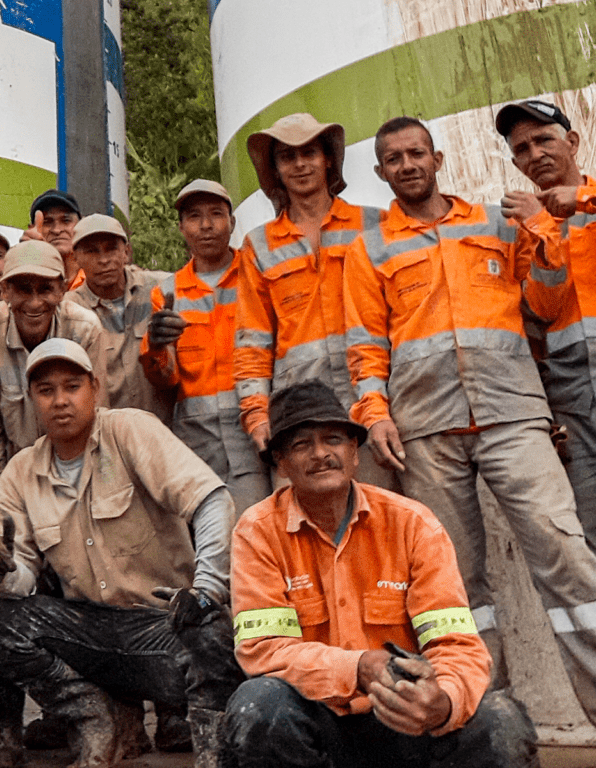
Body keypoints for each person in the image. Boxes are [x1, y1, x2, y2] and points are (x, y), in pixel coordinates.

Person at [344, 116, 596, 716]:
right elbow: (364, 344)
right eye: (393, 159)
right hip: (424, 429)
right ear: (381, 173)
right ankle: (488, 722)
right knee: (454, 587)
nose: (406, 166)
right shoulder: (369, 248)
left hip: (512, 415)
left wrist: (540, 227)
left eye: (416, 154)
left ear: (437, 158)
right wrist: (374, 413)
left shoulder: (495, 223)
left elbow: (546, 302)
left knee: (565, 555)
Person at [223, 381, 538, 768]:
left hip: (405, 725)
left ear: (355, 453)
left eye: (333, 439)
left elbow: (456, 644)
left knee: (498, 719)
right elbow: (264, 651)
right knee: (259, 706)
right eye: (301, 444)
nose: (320, 454)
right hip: (319, 728)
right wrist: (358, 667)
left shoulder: (414, 524)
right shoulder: (257, 532)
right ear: (281, 464)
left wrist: (441, 703)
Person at [0, 338, 244, 768]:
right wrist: (3, 574)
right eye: (46, 391)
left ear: (95, 388)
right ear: (32, 401)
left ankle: (214, 755)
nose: (60, 400)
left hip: (164, 625)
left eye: (72, 386)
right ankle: (95, 713)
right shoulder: (20, 473)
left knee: (214, 634)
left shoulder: (130, 429)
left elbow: (212, 499)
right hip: (90, 633)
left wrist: (207, 589)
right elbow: (22, 578)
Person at [233, 113, 397, 489]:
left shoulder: (374, 224)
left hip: (372, 402)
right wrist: (258, 416)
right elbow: (252, 342)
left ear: (328, 160)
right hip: (298, 414)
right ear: (275, 169)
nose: (300, 164)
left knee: (378, 520)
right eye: (288, 157)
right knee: (303, 532)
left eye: (309, 152)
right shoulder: (259, 245)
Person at [495, 100, 596, 551]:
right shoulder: (524, 231)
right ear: (516, 162)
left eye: (544, 140)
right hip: (573, 396)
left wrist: (584, 199)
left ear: (572, 142)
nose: (535, 153)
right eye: (523, 148)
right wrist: (540, 225)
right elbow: (544, 309)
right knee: (589, 531)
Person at [140, 179, 270, 515]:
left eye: (216, 214)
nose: (207, 225)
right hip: (197, 446)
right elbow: (165, 378)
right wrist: (156, 345)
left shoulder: (258, 275)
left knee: (257, 535)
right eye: (195, 216)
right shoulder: (168, 292)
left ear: (232, 221)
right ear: (182, 227)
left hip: (255, 437)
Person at [0, 240, 105, 521]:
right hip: (11, 481)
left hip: (76, 482)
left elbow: (96, 420)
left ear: (62, 289)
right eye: (24, 289)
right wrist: (2, 506)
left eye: (45, 289)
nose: (35, 302)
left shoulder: (85, 329)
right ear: (5, 291)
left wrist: (85, 499)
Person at [67, 213, 173, 424]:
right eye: (92, 251)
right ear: (75, 257)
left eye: (111, 248)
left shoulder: (163, 288)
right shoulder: (69, 312)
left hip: (164, 432)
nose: (104, 259)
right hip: (108, 438)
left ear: (126, 252)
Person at [19, 189, 85, 288]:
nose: (57, 230)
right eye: (47, 222)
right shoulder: (22, 280)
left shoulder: (97, 276)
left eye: (66, 220)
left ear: (81, 224)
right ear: (32, 229)